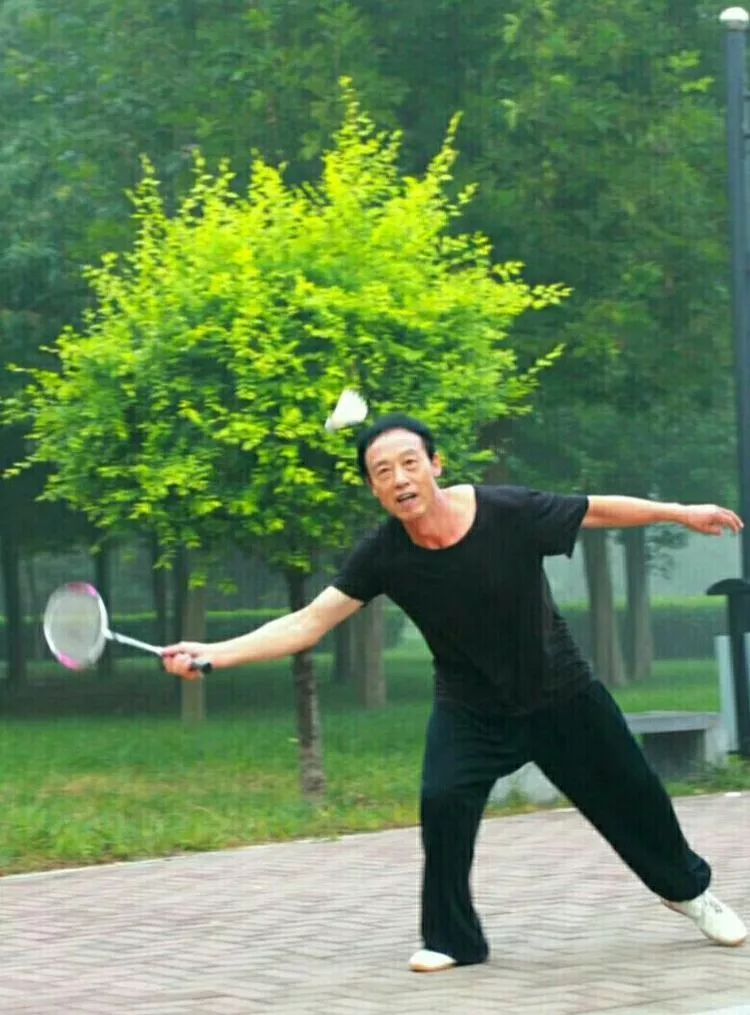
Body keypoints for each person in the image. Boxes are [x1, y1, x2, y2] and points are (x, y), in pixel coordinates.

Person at [163, 413, 747, 972]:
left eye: (409, 463)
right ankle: (452, 940)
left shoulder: (507, 511)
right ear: (373, 488)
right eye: (383, 472)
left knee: (635, 794)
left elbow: (594, 510)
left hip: (561, 691)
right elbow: (308, 623)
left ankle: (688, 893)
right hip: (472, 708)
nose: (400, 479)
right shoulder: (384, 554)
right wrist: (213, 653)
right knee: (442, 800)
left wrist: (680, 513)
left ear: (435, 465)